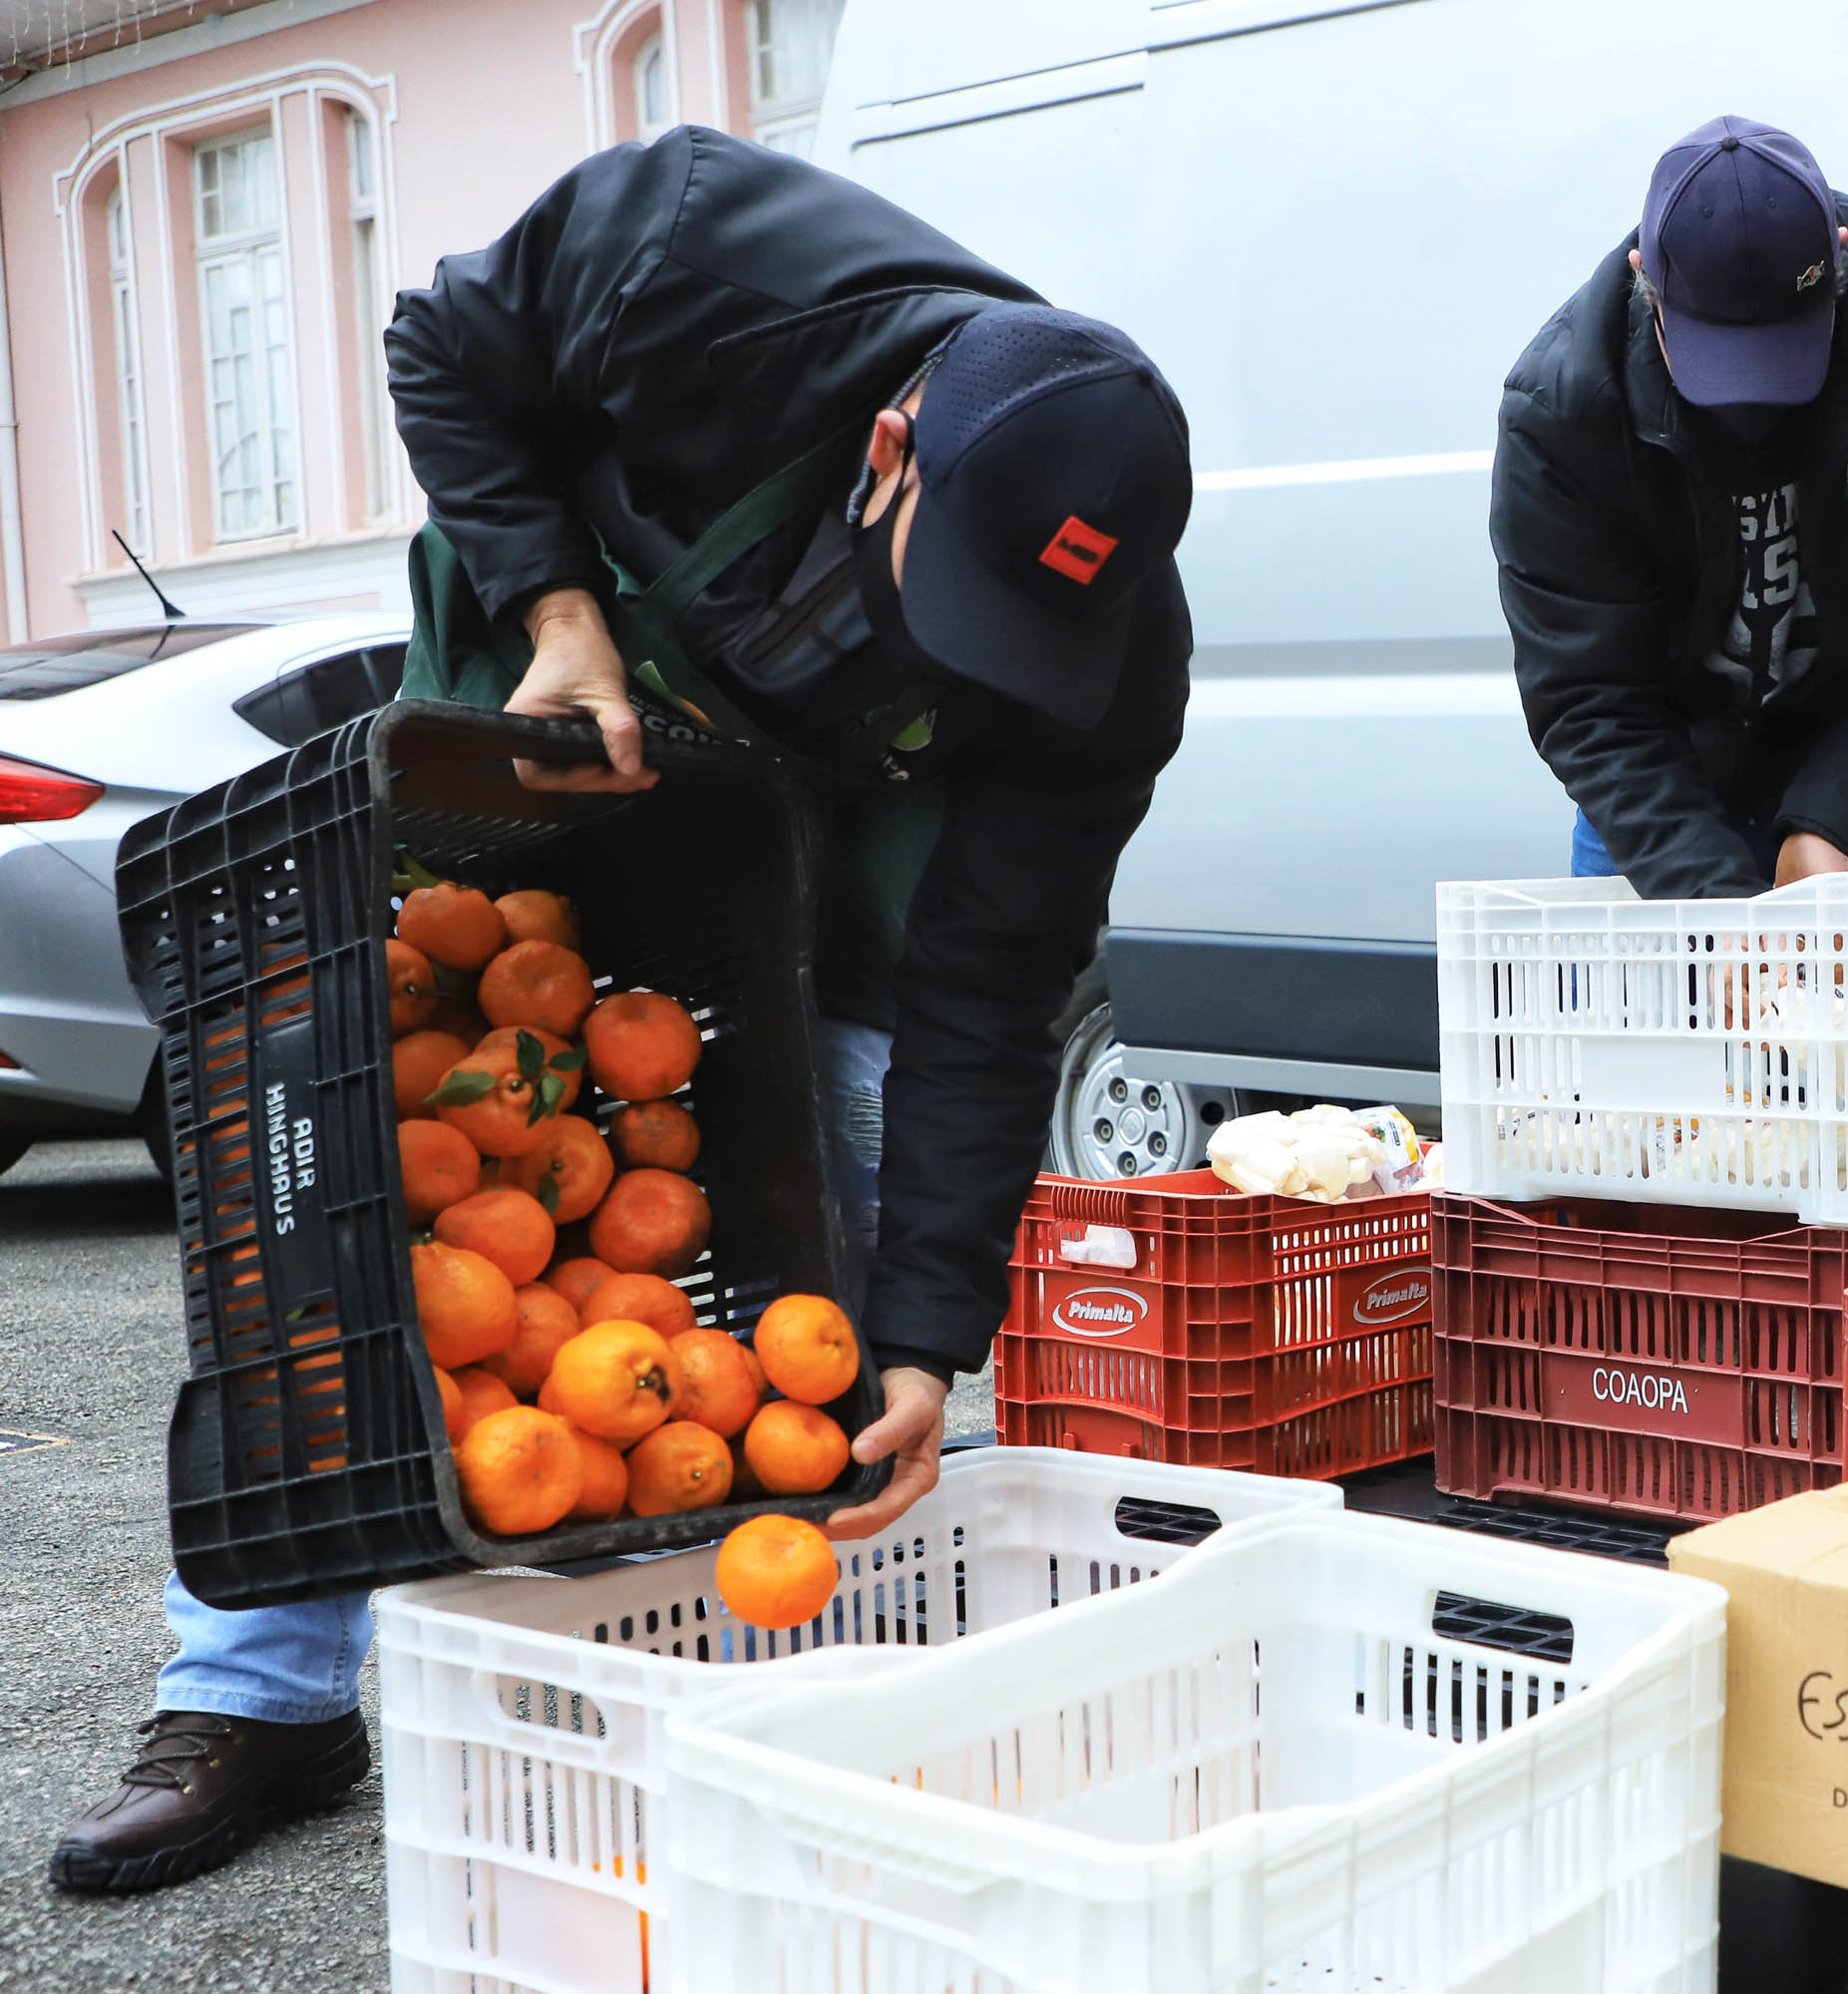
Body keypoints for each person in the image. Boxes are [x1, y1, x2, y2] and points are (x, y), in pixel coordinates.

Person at [52, 126, 1193, 1895]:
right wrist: (559, 610)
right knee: (340, 1197)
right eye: (951, 599)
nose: (971, 659)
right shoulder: (701, 254)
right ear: (891, 450)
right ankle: (261, 1694)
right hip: (541, 750)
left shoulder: (1110, 675)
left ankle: (754, 1712)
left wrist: (930, 1334)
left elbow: (992, 985)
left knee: (844, 1242)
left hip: (834, 857)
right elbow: (445, 348)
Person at [1493, 116, 1848, 896]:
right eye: (1719, 357)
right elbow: (1588, 693)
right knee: (1664, 1009)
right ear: (1643, 274)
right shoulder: (1564, 407)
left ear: (1841, 252)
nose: (1753, 409)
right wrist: (1709, 901)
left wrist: (1834, 817)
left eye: (1787, 349)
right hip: (1674, 754)